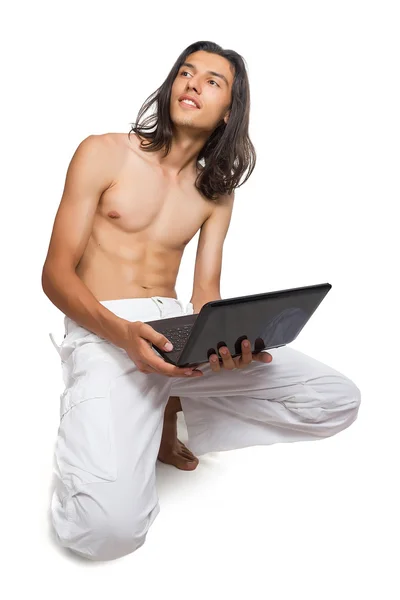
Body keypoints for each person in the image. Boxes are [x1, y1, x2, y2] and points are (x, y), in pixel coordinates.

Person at [42, 41, 361, 562]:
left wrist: (220, 344)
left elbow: (205, 293)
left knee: (335, 400)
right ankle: (123, 420)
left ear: (229, 111)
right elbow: (55, 275)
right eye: (186, 73)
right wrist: (124, 334)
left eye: (213, 81)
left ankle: (166, 408)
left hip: (176, 330)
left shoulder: (216, 190)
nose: (192, 83)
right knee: (104, 534)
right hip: (106, 330)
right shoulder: (102, 152)